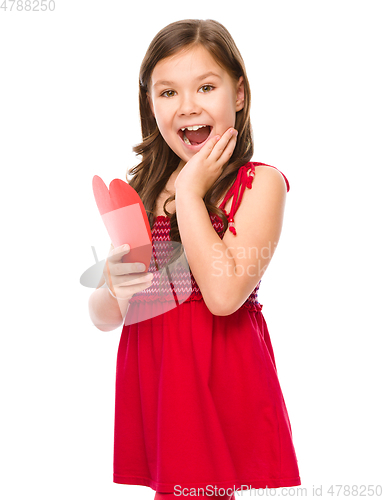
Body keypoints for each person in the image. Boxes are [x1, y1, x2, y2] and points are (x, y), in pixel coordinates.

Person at [88, 18, 301, 500]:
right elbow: (105, 317)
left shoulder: (259, 184)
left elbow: (224, 295)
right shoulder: (141, 191)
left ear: (239, 94)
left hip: (215, 376)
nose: (187, 107)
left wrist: (189, 191)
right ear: (150, 104)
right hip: (159, 380)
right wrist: (111, 286)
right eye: (167, 93)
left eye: (206, 86)